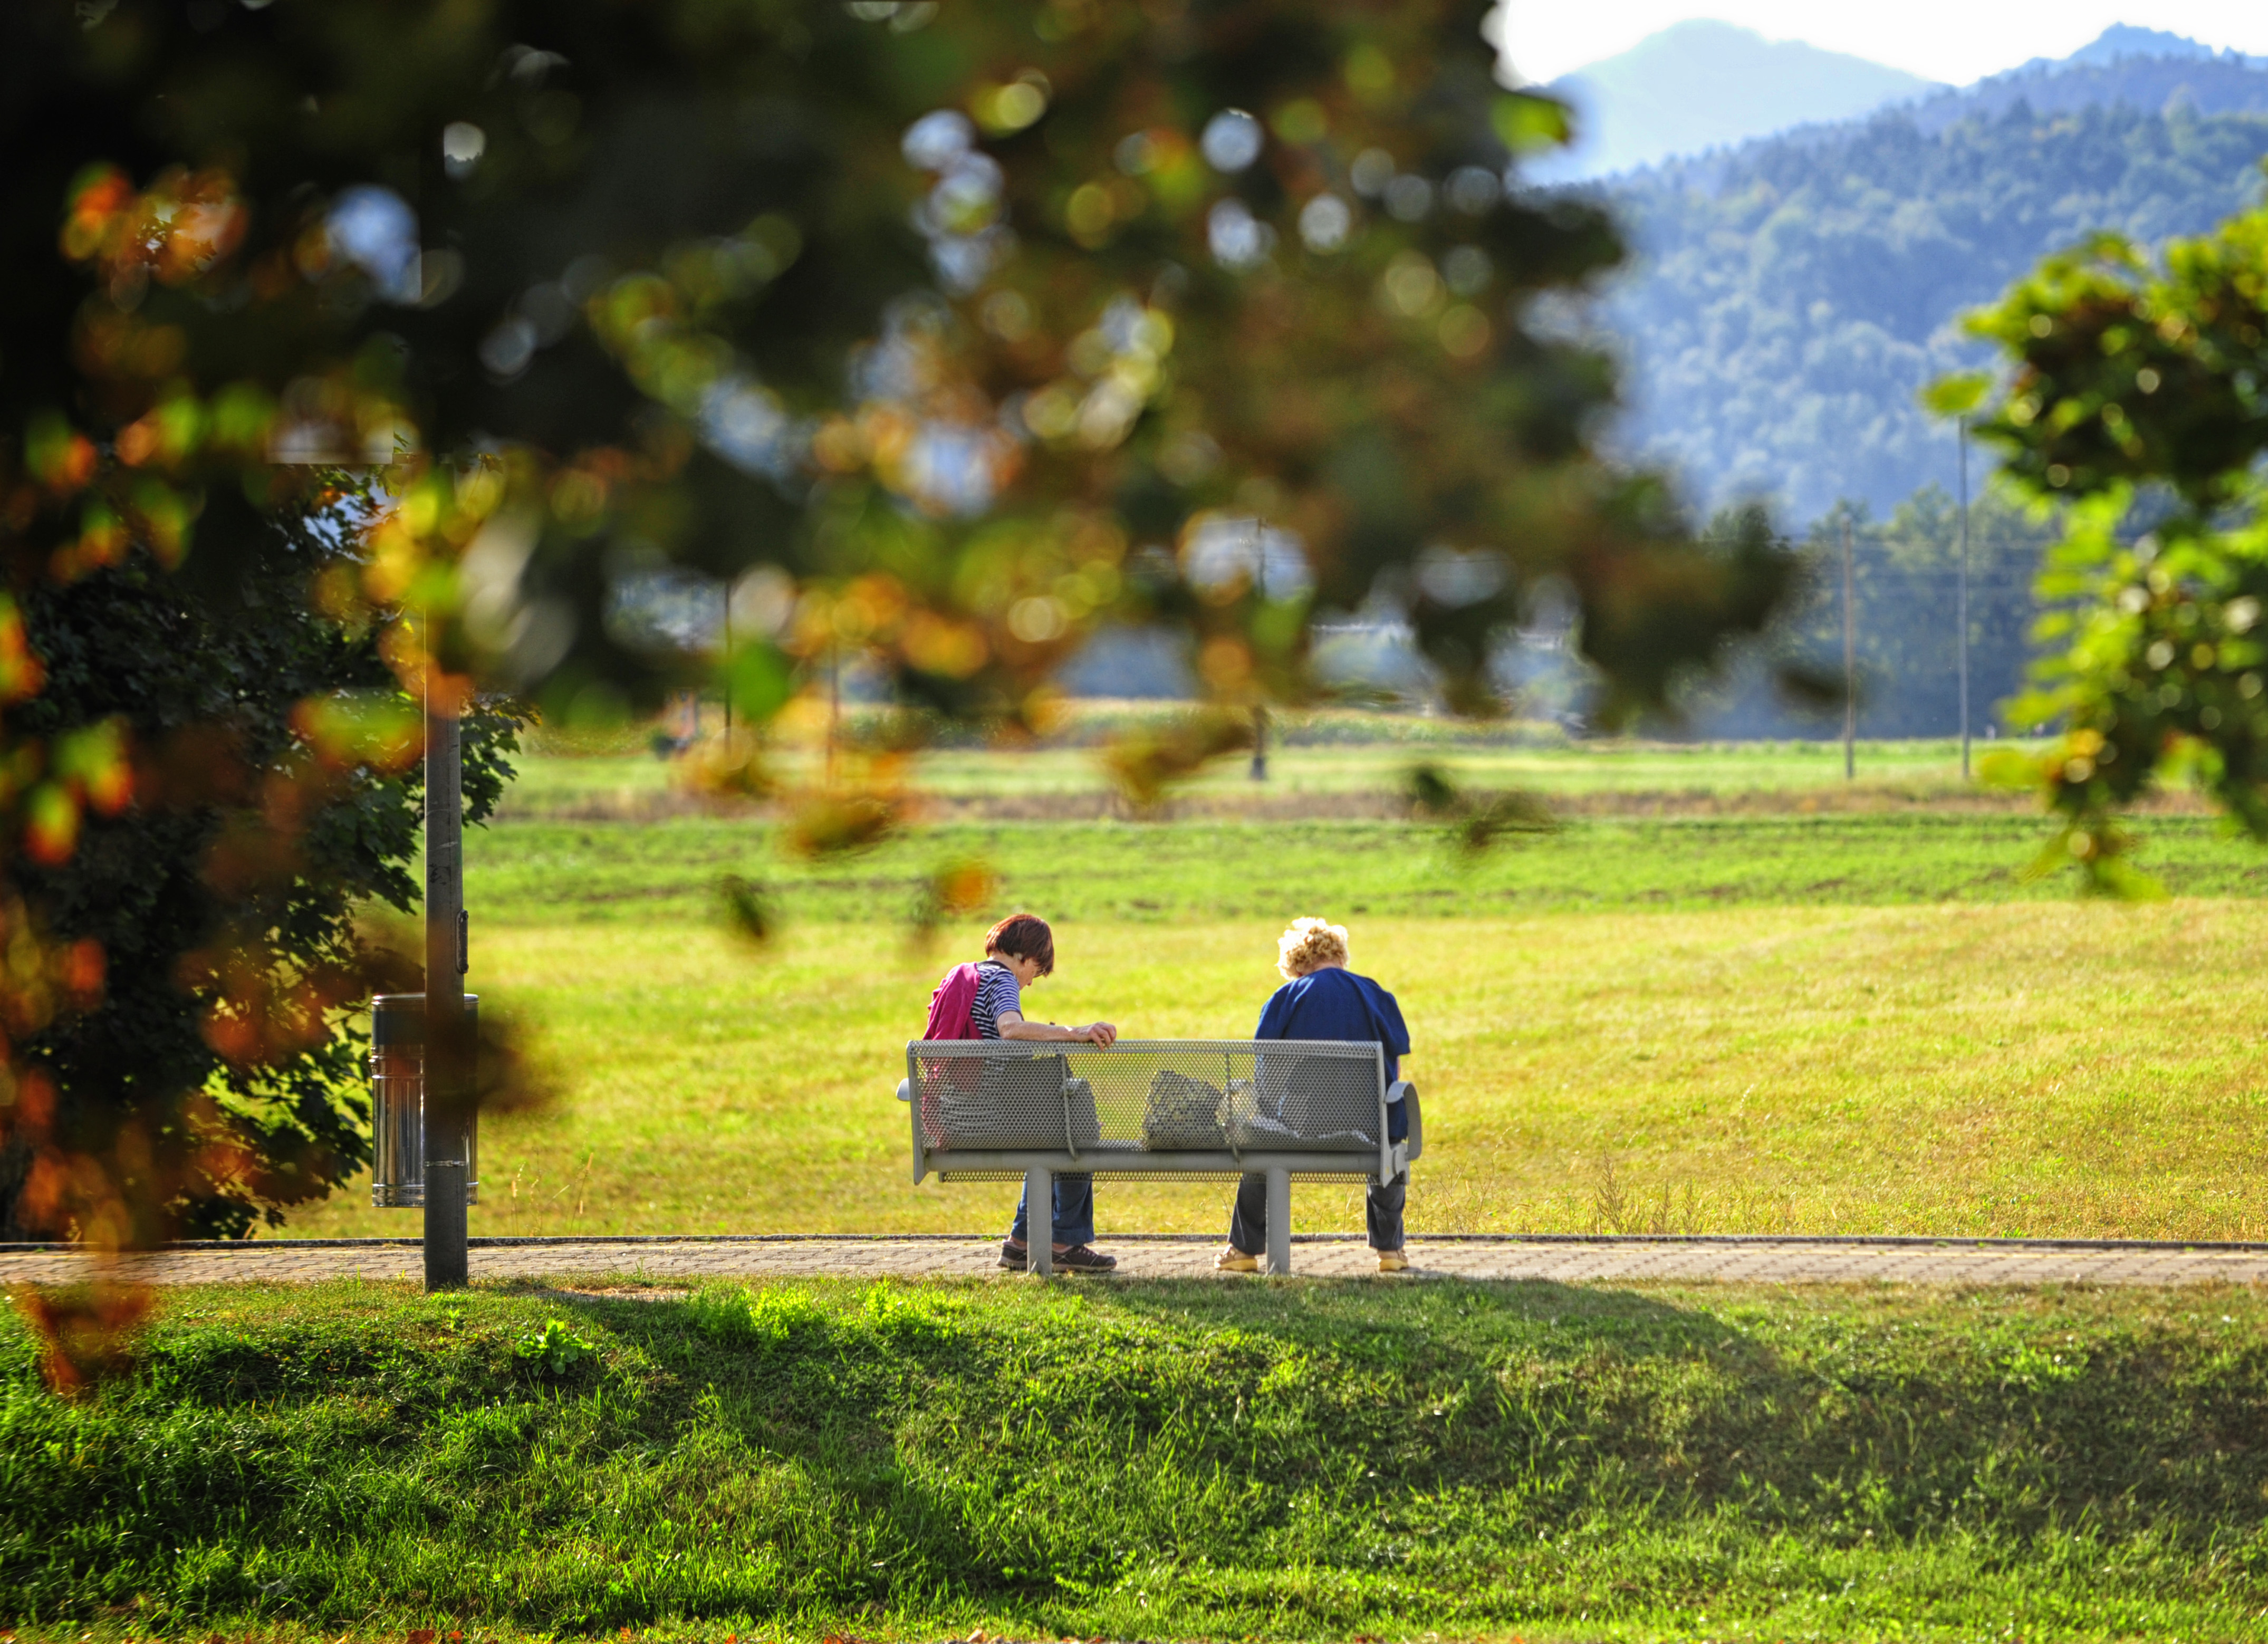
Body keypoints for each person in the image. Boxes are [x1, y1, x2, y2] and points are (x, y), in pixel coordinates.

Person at [1218, 917, 1412, 1275]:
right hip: (1370, 1127)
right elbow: (1395, 1070)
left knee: (1261, 1141)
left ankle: (1242, 1250)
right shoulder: (1377, 995)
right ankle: (1390, 1251)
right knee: (1390, 1134)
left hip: (1300, 1128)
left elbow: (1266, 1073)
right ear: (1340, 956)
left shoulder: (1286, 998)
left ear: (1296, 966)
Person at [933, 912, 1120, 1273]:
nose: (1031, 982)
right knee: (1078, 1131)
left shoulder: (967, 975)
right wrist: (1074, 1033)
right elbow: (1010, 1028)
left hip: (954, 1118)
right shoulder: (1003, 979)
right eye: (1036, 970)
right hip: (989, 1121)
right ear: (1024, 956)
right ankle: (1065, 1241)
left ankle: (1020, 1243)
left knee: (1051, 1130)